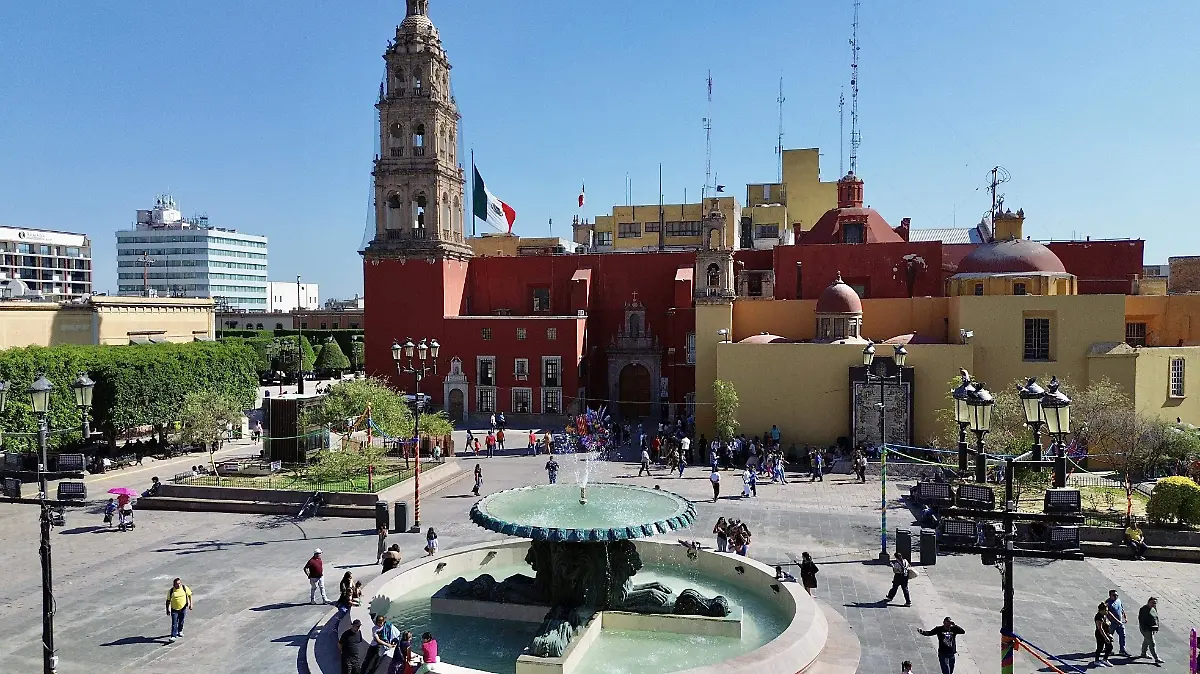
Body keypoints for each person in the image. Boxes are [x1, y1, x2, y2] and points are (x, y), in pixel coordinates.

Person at [165, 577, 193, 643]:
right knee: (174, 622)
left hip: (183, 608)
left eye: (179, 583)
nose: (178, 585)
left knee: (181, 620)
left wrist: (191, 604)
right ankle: (173, 636)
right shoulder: (171, 591)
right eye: (177, 584)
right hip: (174, 609)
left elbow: (190, 595)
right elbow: (168, 600)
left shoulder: (184, 588)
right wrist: (167, 610)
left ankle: (180, 630)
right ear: (173, 584)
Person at [1137, 596, 1163, 665]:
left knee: (1146, 641)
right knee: (1152, 643)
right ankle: (1156, 658)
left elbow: (1156, 617)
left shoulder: (1153, 608)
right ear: (1148, 602)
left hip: (1152, 628)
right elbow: (1141, 620)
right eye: (1152, 602)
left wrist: (1157, 626)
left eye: (1155, 603)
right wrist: (1145, 629)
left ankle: (1143, 653)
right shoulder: (1143, 609)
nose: (1154, 604)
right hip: (1146, 629)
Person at [1105, 589, 1131, 657]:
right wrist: (1117, 620)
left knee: (1123, 635)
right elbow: (1109, 614)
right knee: (1109, 636)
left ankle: (1122, 650)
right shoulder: (1108, 603)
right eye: (1114, 595)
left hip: (1119, 622)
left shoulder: (1118, 600)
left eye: (1117, 595)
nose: (1116, 596)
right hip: (1112, 623)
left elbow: (1121, 608)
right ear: (1110, 595)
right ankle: (1108, 649)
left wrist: (1124, 616)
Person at [1094, 601, 1114, 667]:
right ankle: (1096, 661)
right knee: (1100, 647)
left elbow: (1106, 623)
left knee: (1110, 646)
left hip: (1106, 632)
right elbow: (1100, 628)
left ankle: (1105, 659)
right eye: (1106, 610)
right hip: (1100, 634)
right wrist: (1106, 637)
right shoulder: (1098, 617)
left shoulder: (1103, 615)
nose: (1107, 612)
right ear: (1102, 610)